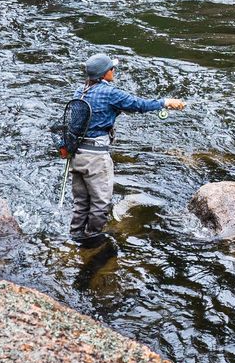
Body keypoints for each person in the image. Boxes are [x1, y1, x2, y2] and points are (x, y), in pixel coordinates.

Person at [67, 52, 185, 249]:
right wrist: (165, 102)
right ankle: (92, 240)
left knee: (81, 202)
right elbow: (139, 105)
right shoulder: (110, 93)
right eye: (111, 68)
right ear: (105, 74)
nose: (114, 70)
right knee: (100, 203)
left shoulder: (80, 90)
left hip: (76, 154)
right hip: (96, 157)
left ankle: (75, 236)